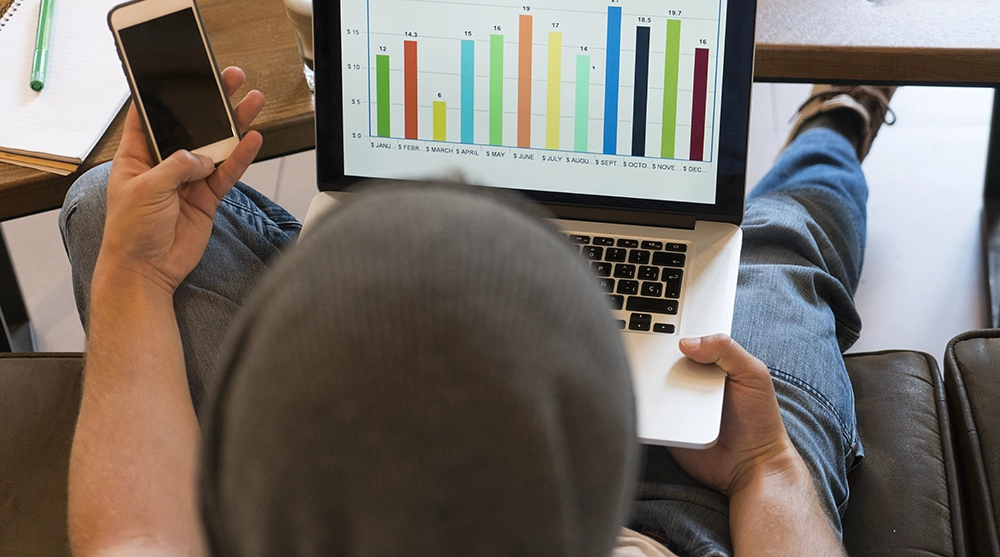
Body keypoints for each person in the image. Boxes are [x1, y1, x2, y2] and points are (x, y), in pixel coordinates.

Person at [59, 66, 894, 557]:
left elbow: (128, 544)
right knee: (782, 243)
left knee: (112, 212)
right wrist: (763, 467)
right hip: (694, 514)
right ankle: (836, 123)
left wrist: (135, 275)